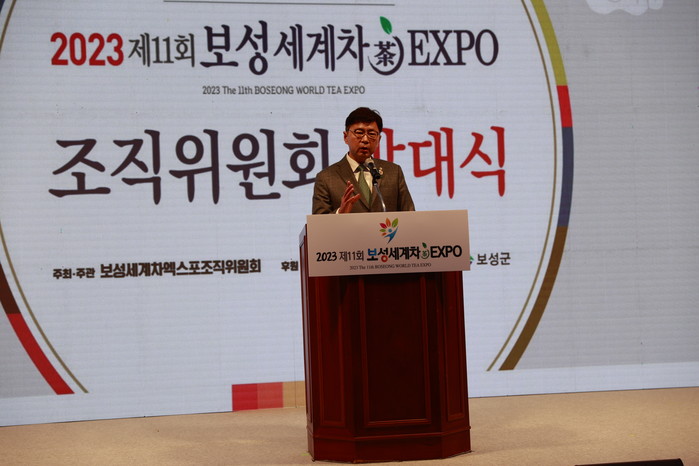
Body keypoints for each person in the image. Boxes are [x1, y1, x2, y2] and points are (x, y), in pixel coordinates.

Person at [312, 107, 415, 214]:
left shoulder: (393, 172)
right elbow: (318, 221)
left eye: (372, 134)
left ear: (379, 139)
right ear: (346, 137)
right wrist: (339, 213)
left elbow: (410, 215)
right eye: (359, 132)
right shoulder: (326, 178)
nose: (365, 139)